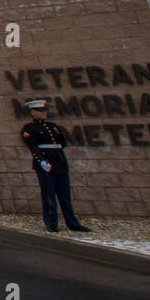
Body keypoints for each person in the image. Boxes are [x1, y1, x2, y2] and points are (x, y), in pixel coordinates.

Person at [21, 98, 91, 234]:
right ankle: (51, 223)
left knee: (65, 196)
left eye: (44, 110)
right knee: (48, 195)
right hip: (46, 165)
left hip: (60, 164)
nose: (43, 113)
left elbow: (62, 142)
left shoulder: (53, 126)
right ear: (33, 112)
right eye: (40, 111)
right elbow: (32, 146)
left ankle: (73, 223)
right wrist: (41, 160)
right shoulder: (29, 128)